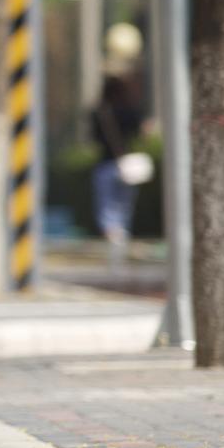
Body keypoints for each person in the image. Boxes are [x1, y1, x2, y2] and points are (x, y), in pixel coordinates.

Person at [90, 22, 147, 269]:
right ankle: (120, 247)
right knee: (123, 209)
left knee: (107, 211)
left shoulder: (99, 111)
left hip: (105, 165)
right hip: (127, 166)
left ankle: (114, 249)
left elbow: (93, 137)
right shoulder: (131, 110)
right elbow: (140, 133)